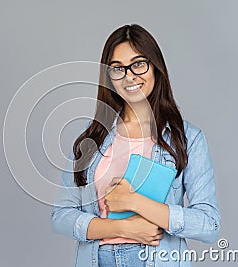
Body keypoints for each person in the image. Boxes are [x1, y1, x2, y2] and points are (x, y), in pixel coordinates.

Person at [51, 24, 220, 267]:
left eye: (139, 63)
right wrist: (122, 227)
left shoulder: (187, 138)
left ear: (156, 67)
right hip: (98, 261)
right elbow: (61, 215)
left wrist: (134, 202)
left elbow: (209, 224)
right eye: (118, 68)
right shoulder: (90, 137)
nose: (129, 76)